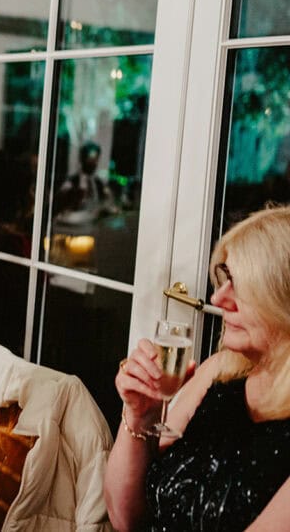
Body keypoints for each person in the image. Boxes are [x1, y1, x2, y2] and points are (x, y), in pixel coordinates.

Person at [105, 205, 290, 530]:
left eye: (240, 285)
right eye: (224, 279)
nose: (218, 299)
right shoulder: (220, 371)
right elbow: (125, 518)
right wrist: (140, 415)